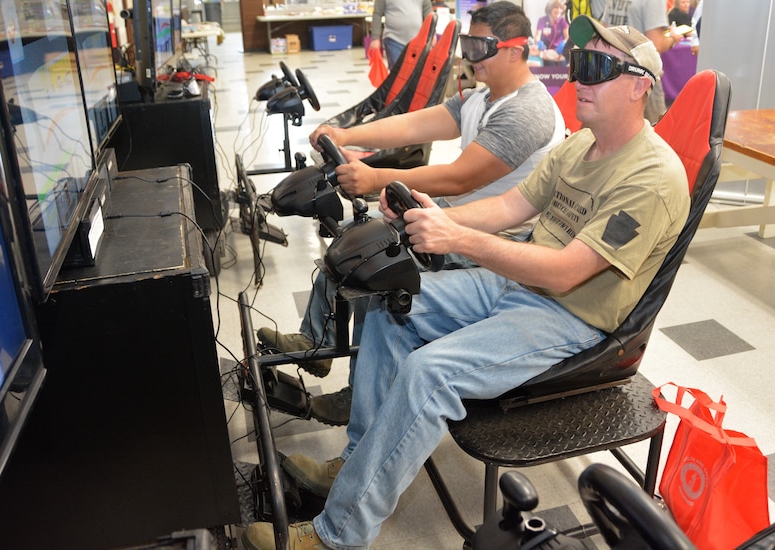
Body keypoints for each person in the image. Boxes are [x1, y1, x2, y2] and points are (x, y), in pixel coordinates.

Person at [242, 15, 689, 550]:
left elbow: (569, 271)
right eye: (578, 65)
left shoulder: (653, 178)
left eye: (596, 67)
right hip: (517, 281)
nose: (579, 79)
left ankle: (339, 535)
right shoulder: (581, 145)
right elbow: (508, 205)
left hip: (571, 315)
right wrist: (444, 219)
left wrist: (457, 240)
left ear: (641, 85)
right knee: (390, 304)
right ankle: (357, 464)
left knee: (430, 374)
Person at [257, 1, 566, 426]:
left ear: (516, 50)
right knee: (355, 238)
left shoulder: (527, 111)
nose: (469, 58)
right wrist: (345, 133)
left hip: (498, 239)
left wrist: (374, 177)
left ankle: (357, 395)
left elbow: (461, 178)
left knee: (375, 260)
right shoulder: (482, 97)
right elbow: (415, 124)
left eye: (481, 47)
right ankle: (317, 339)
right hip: (456, 217)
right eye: (468, 45)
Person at [592, 0, 688, 123]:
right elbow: (657, 44)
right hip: (643, 77)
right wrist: (673, 39)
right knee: (655, 131)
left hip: (613, 74)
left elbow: (605, 30)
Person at [369, 0, 433, 70]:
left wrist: (432, 33)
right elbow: (377, 14)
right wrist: (375, 38)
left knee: (414, 73)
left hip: (417, 42)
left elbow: (429, 13)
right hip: (393, 40)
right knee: (398, 73)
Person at [535, 0, 569, 65]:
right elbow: (537, 36)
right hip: (546, 51)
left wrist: (563, 43)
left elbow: (567, 37)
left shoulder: (563, 21)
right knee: (550, 66)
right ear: (550, 8)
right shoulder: (542, 20)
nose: (559, 10)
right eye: (556, 7)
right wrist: (539, 42)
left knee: (563, 68)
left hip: (559, 51)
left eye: (561, 8)